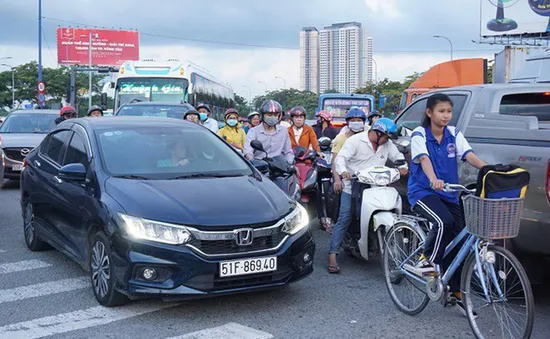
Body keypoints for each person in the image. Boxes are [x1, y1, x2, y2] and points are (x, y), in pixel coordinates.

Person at [408, 93, 486, 315]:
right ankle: (427, 261)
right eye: (441, 111)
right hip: (423, 192)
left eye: (449, 111)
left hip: (450, 194)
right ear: (429, 113)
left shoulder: (454, 134)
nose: (446, 115)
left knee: (461, 241)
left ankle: (457, 292)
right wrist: (433, 179)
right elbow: (424, 159)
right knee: (444, 222)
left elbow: (469, 155)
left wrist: (487, 169)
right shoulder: (419, 134)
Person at [328, 118, 408, 273]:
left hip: (377, 186)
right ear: (377, 133)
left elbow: (398, 157)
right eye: (385, 137)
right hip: (352, 186)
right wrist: (343, 172)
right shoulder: (355, 141)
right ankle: (332, 253)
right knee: (345, 216)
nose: (387, 141)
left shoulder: (387, 144)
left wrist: (403, 166)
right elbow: (341, 159)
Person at [330, 107, 367, 196]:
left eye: (359, 120)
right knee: (345, 208)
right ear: (347, 123)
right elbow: (335, 161)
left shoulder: (367, 138)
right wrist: (337, 180)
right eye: (353, 120)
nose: (356, 123)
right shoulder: (340, 139)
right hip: (347, 179)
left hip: (366, 178)